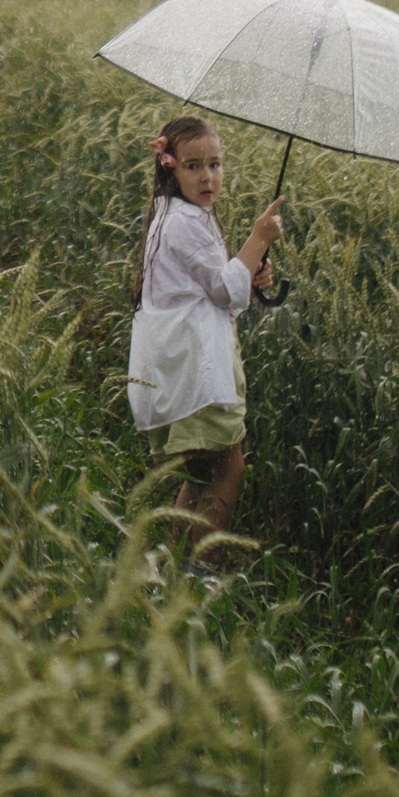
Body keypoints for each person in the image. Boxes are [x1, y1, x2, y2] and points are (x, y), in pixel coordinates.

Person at [127, 114, 284, 556]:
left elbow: (218, 289)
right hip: (197, 374)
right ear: (170, 168)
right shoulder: (186, 223)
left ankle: (178, 568)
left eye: (215, 164)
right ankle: (200, 573)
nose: (208, 177)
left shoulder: (178, 216)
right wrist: (257, 239)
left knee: (201, 475)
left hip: (182, 368)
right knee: (229, 470)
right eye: (193, 166)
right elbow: (224, 288)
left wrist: (249, 276)